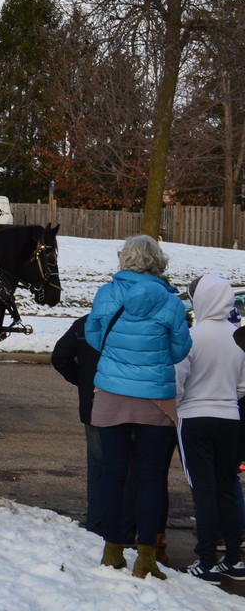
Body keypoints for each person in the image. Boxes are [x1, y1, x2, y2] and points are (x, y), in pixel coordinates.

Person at [85, 234, 191, 580]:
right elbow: (179, 352)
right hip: (154, 398)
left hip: (112, 393)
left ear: (125, 259)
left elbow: (93, 337)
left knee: (113, 474)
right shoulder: (171, 302)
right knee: (150, 479)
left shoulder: (106, 294)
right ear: (157, 261)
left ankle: (112, 551)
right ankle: (146, 558)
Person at [175, 274, 245, 582]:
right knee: (228, 486)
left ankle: (205, 561)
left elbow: (176, 382)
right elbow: (243, 385)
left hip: (194, 417)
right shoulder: (238, 336)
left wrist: (183, 402)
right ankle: (233, 558)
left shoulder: (191, 335)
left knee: (203, 490)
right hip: (230, 418)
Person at [51, 315, 136, 539]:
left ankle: (97, 526)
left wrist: (83, 381)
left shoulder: (86, 323)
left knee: (98, 468)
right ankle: (124, 530)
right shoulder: (133, 322)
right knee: (127, 469)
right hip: (129, 404)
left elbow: (60, 357)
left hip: (94, 405)